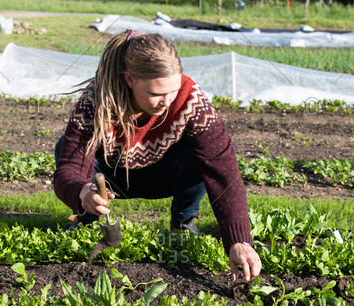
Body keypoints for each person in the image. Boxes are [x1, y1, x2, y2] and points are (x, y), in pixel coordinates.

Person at [53, 30, 261, 282]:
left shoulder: (191, 100)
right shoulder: (95, 101)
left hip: (166, 176)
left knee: (202, 157)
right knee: (64, 146)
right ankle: (88, 216)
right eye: (156, 94)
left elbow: (223, 171)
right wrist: (82, 192)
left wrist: (239, 240)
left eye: (172, 91)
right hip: (113, 180)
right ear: (130, 79)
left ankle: (183, 221)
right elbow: (68, 171)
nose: (166, 101)